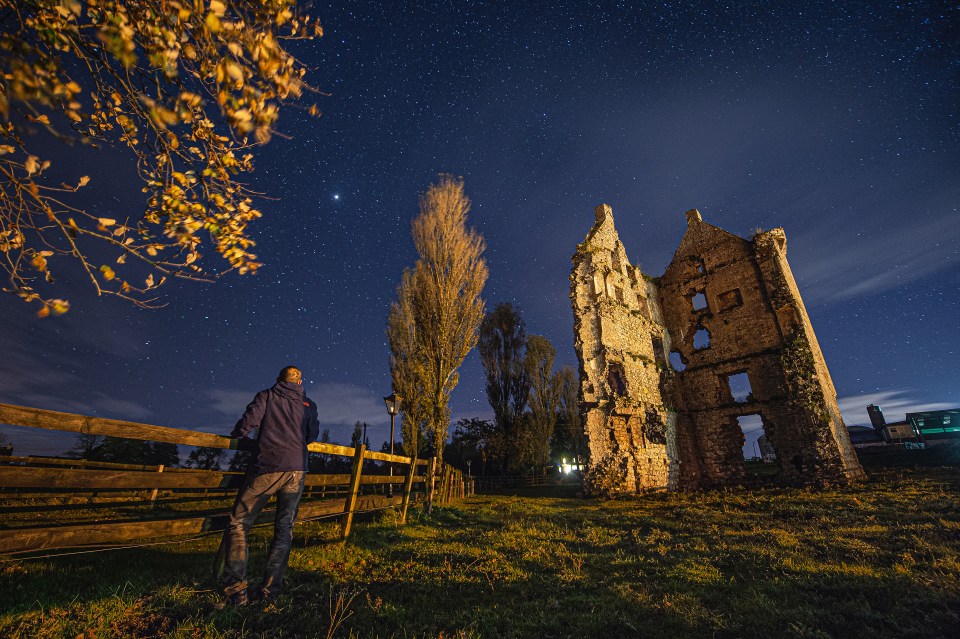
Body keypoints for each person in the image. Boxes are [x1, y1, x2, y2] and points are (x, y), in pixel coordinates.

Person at [218, 365, 320, 606]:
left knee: (239, 522)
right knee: (284, 528)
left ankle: (236, 590)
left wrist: (237, 433)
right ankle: (269, 592)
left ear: (278, 379)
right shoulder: (309, 405)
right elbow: (311, 436)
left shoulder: (266, 396)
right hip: (296, 470)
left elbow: (247, 424)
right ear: (300, 381)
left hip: (268, 465)